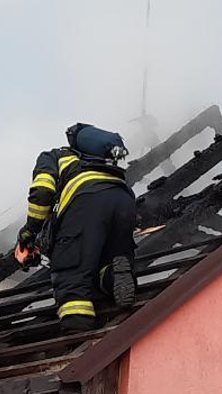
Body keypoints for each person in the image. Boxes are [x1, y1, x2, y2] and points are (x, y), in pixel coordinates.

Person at [17, 123, 138, 331]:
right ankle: (113, 275)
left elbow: (42, 193)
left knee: (71, 274)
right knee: (103, 261)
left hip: (87, 201)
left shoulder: (54, 156)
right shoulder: (98, 161)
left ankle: (77, 333)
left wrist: (30, 230)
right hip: (124, 198)